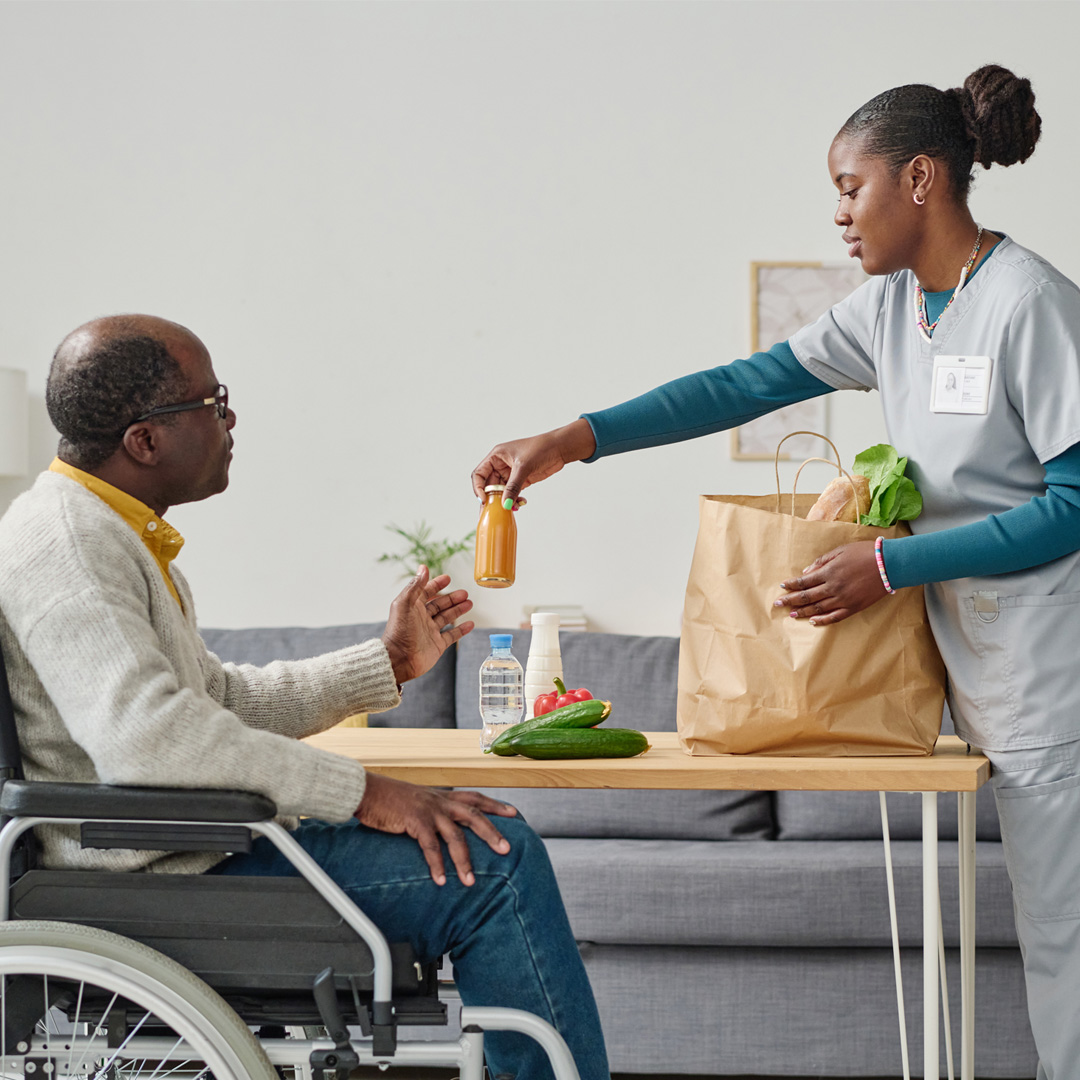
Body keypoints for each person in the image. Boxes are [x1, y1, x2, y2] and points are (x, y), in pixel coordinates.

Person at [473, 65, 1080, 1079]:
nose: (840, 214)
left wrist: (889, 565)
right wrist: (574, 438)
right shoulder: (892, 311)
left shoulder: (1031, 304)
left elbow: (1073, 505)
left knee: (1063, 940)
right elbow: (741, 385)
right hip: (958, 664)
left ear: (921, 179)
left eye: (852, 187)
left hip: (1049, 667)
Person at [0, 314, 610, 1080]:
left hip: (195, 852)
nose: (230, 420)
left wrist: (384, 662)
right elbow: (148, 737)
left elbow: (214, 701)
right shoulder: (68, 544)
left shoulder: (108, 533)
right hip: (157, 879)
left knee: (488, 846)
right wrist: (363, 793)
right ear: (144, 441)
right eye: (212, 401)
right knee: (497, 864)